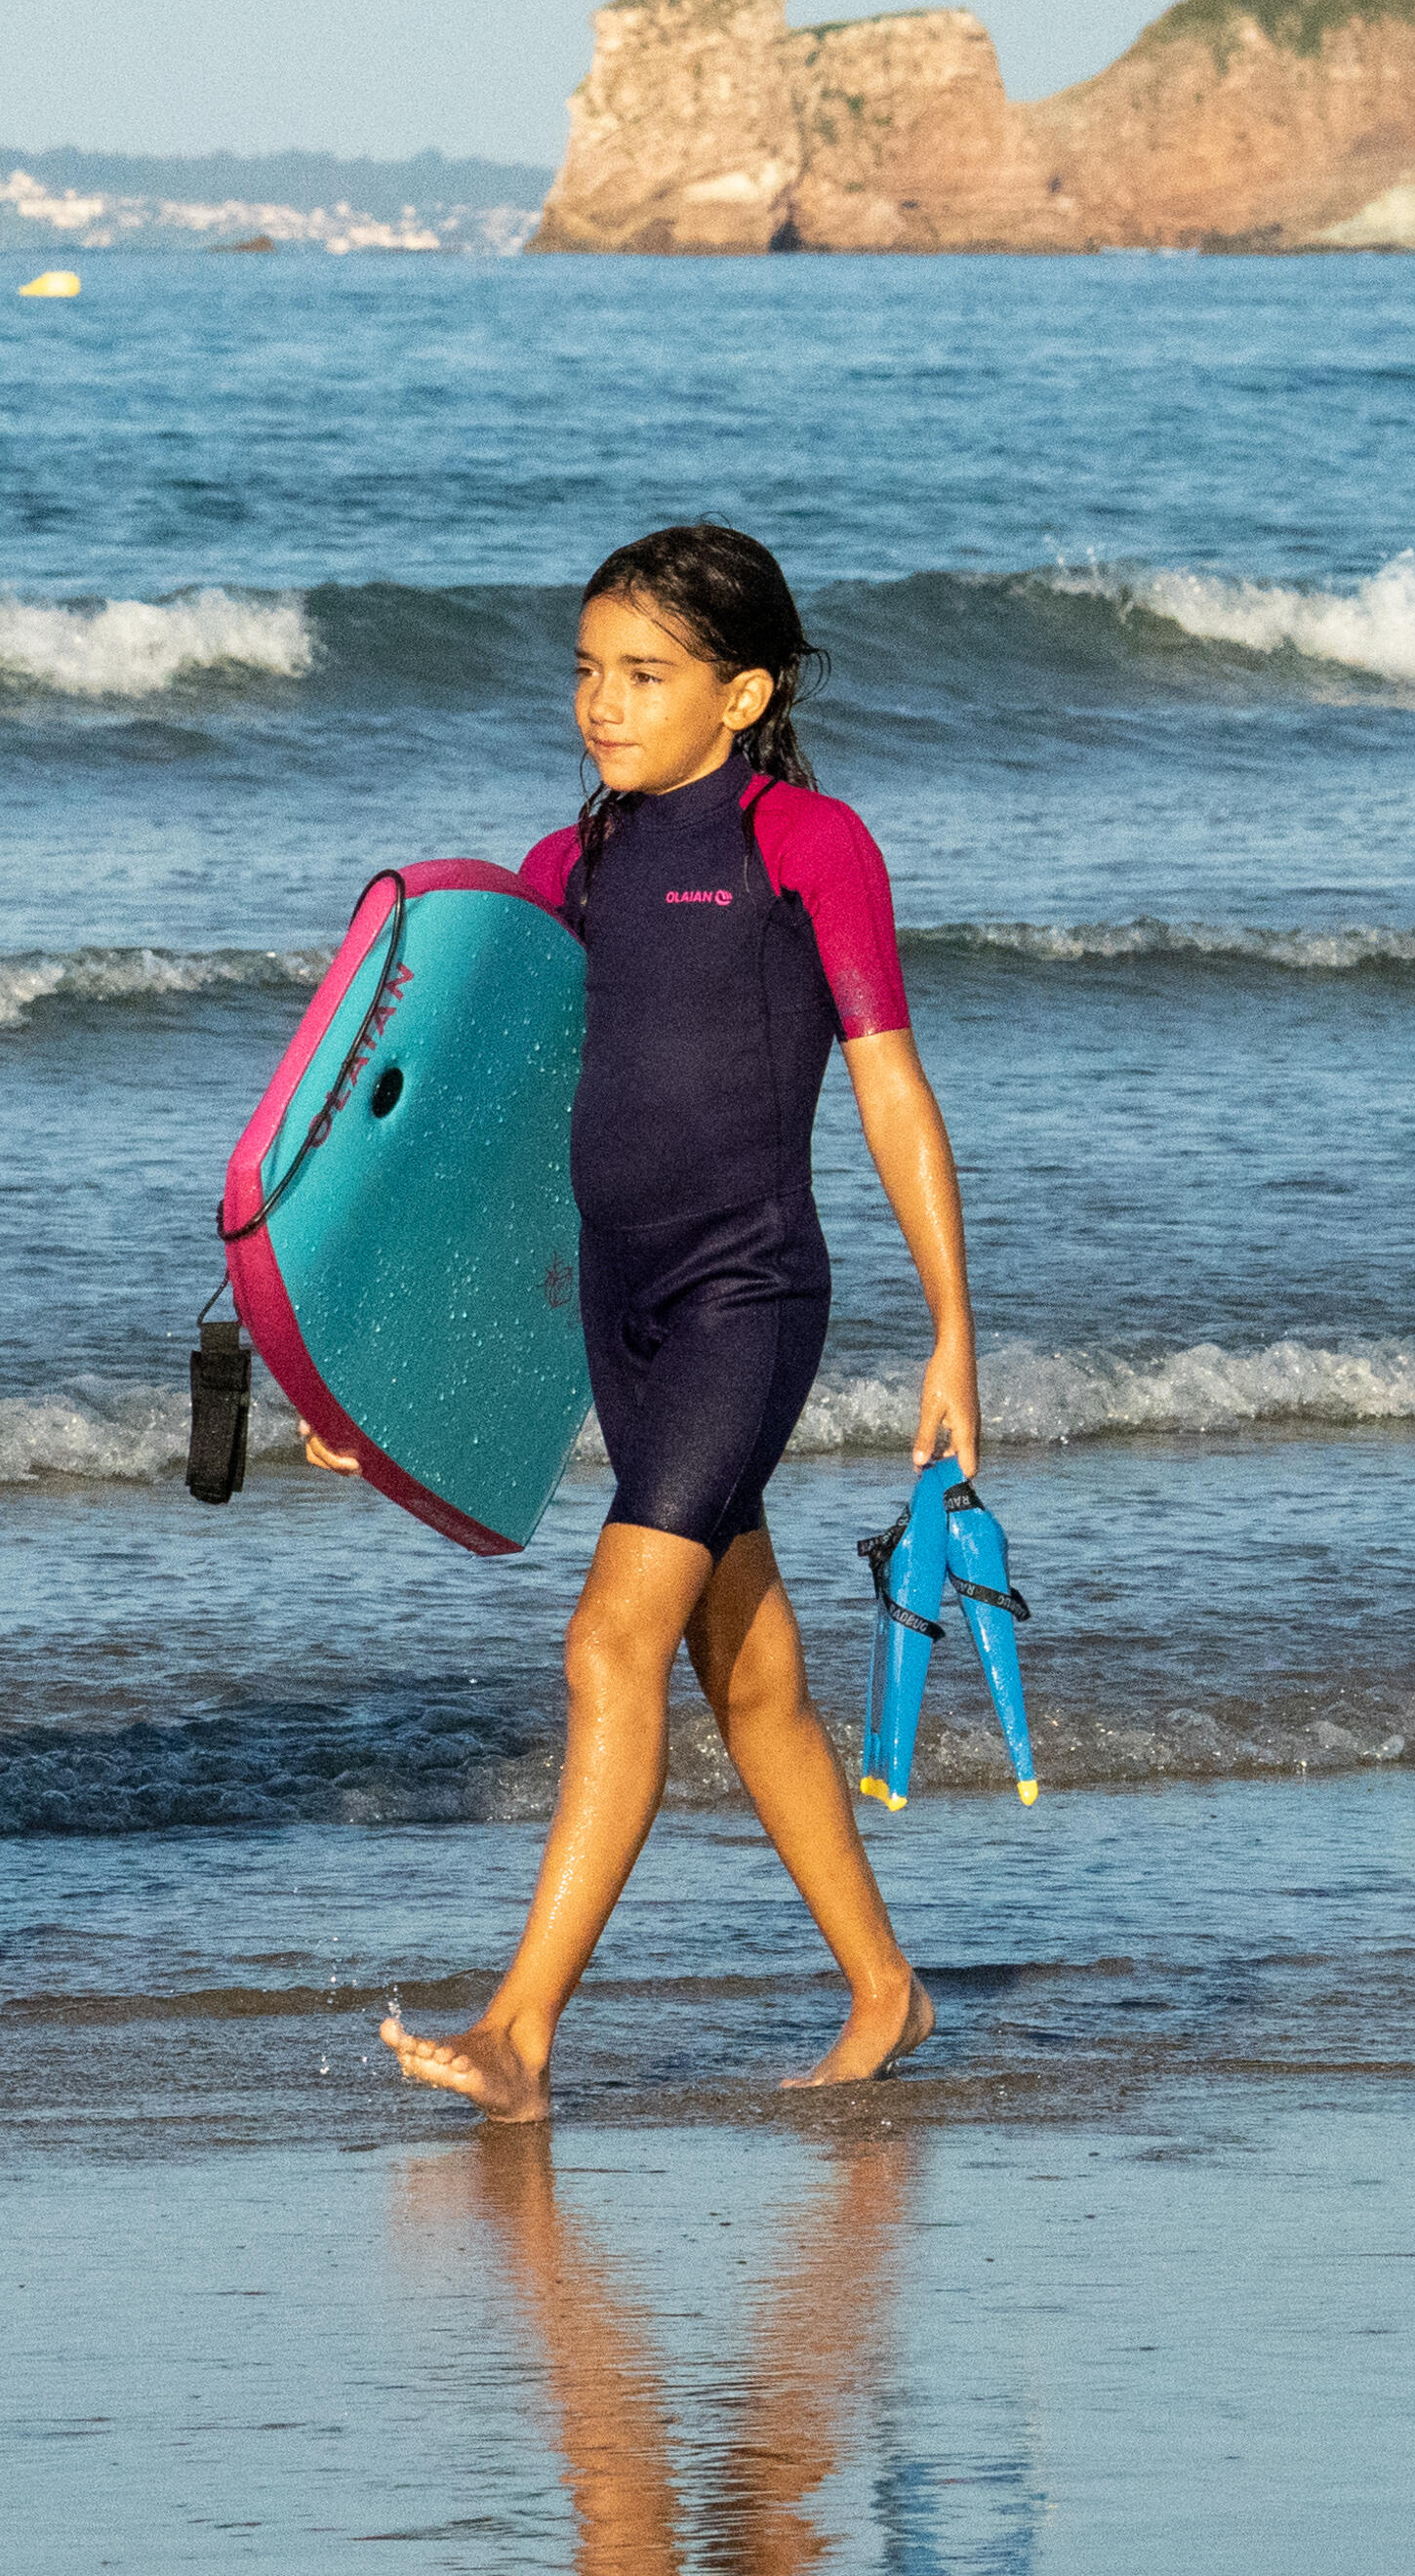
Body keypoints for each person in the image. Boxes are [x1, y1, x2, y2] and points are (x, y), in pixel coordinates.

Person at [361, 521, 981, 2122]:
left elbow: (893, 1088)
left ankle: (520, 2030)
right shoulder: (571, 869)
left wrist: (951, 1336)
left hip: (745, 1292)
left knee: (606, 1642)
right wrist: (357, 1354)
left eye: (645, 674)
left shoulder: (808, 843)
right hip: (620, 1310)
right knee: (747, 1671)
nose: (600, 703)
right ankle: (886, 1989)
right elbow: (488, 1142)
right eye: (586, 669)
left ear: (745, 688)